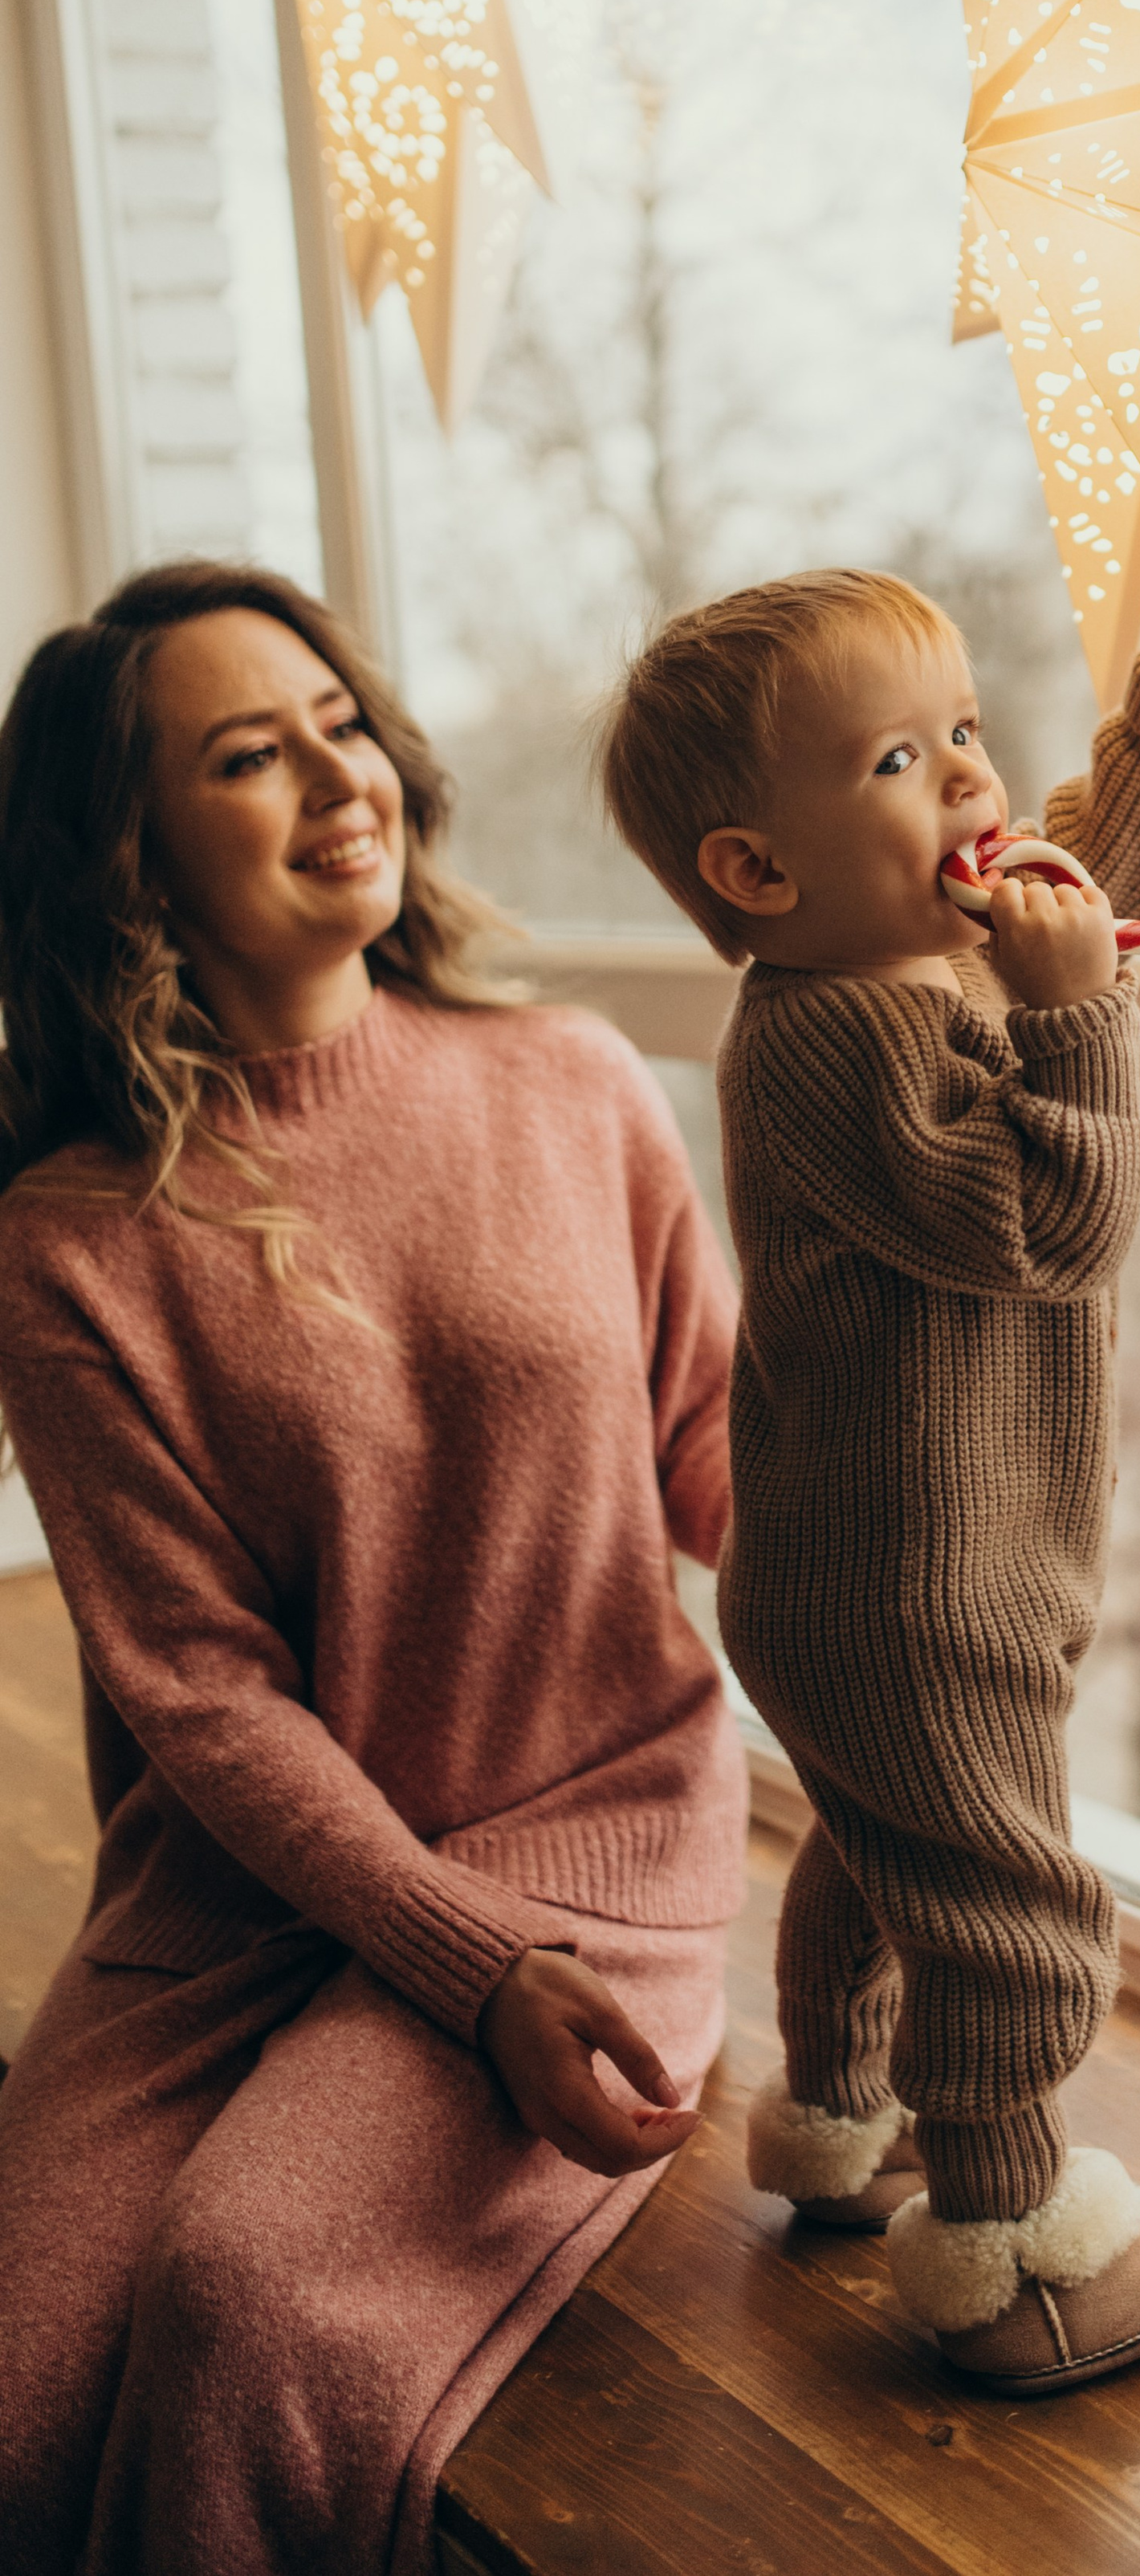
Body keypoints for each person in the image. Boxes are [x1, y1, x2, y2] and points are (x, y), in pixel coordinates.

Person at [0, 564, 747, 2576]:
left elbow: (716, 1453)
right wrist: (454, 1955)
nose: (340, 777)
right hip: (244, 1893)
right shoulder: (72, 1239)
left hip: (582, 1846)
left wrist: (924, 1565)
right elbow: (199, 1694)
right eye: (252, 755)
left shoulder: (570, 1080)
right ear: (129, 854)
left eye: (341, 723)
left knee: (250, 2302)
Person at [599, 520, 1140, 2394]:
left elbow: (1083, 877)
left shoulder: (907, 963)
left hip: (868, 1573)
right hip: (916, 1583)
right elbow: (1051, 1223)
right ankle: (1013, 2251)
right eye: (902, 757)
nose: (970, 777)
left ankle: (843, 2121)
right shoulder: (834, 1039)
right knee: (1004, 1908)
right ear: (757, 869)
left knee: (886, 1859)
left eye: (962, 727)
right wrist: (1080, 1018)